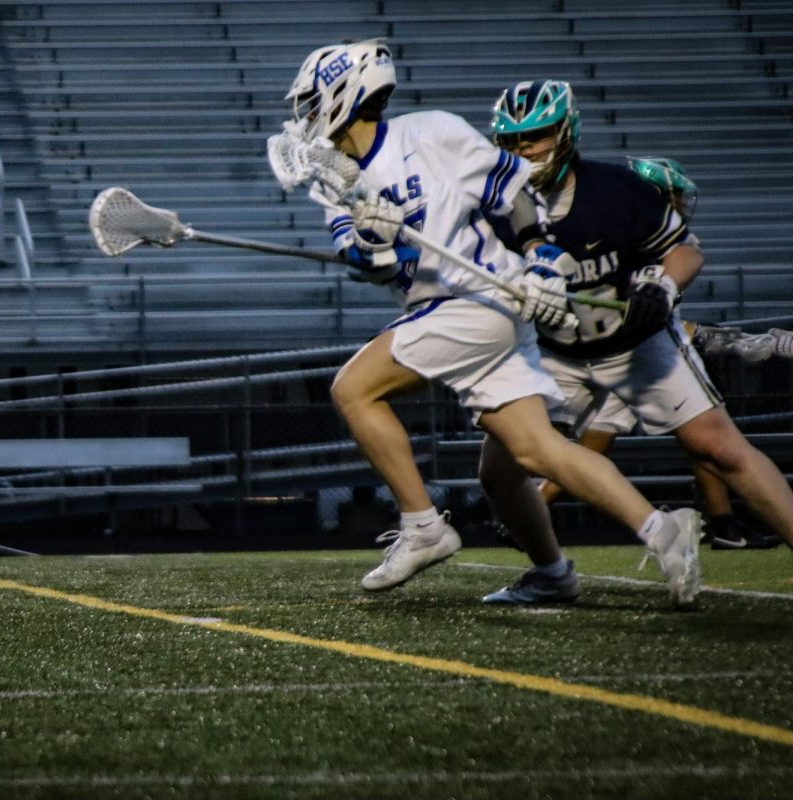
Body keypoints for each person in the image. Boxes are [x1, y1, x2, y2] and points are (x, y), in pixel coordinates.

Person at [278, 40, 703, 609]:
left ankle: (423, 525)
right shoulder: (335, 183)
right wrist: (373, 242)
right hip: (451, 309)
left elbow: (515, 192)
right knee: (529, 456)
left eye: (310, 103)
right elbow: (372, 267)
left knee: (354, 389)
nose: (304, 119)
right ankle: (647, 536)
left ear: (343, 94)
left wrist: (541, 255)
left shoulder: (430, 132)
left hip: (479, 299)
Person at [485, 80, 793, 602]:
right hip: (554, 353)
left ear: (564, 131)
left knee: (719, 448)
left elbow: (686, 253)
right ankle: (551, 575)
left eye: (534, 136)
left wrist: (664, 284)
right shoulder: (491, 206)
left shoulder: (616, 190)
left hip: (638, 341)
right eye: (511, 141)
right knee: (498, 473)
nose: (523, 150)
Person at [532, 156, 779, 550]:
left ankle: (722, 523)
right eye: (671, 195)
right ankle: (529, 512)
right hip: (611, 353)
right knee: (578, 453)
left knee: (708, 444)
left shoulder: (658, 238)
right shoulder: (621, 228)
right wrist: (731, 340)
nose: (679, 203)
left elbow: (685, 264)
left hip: (642, 350)